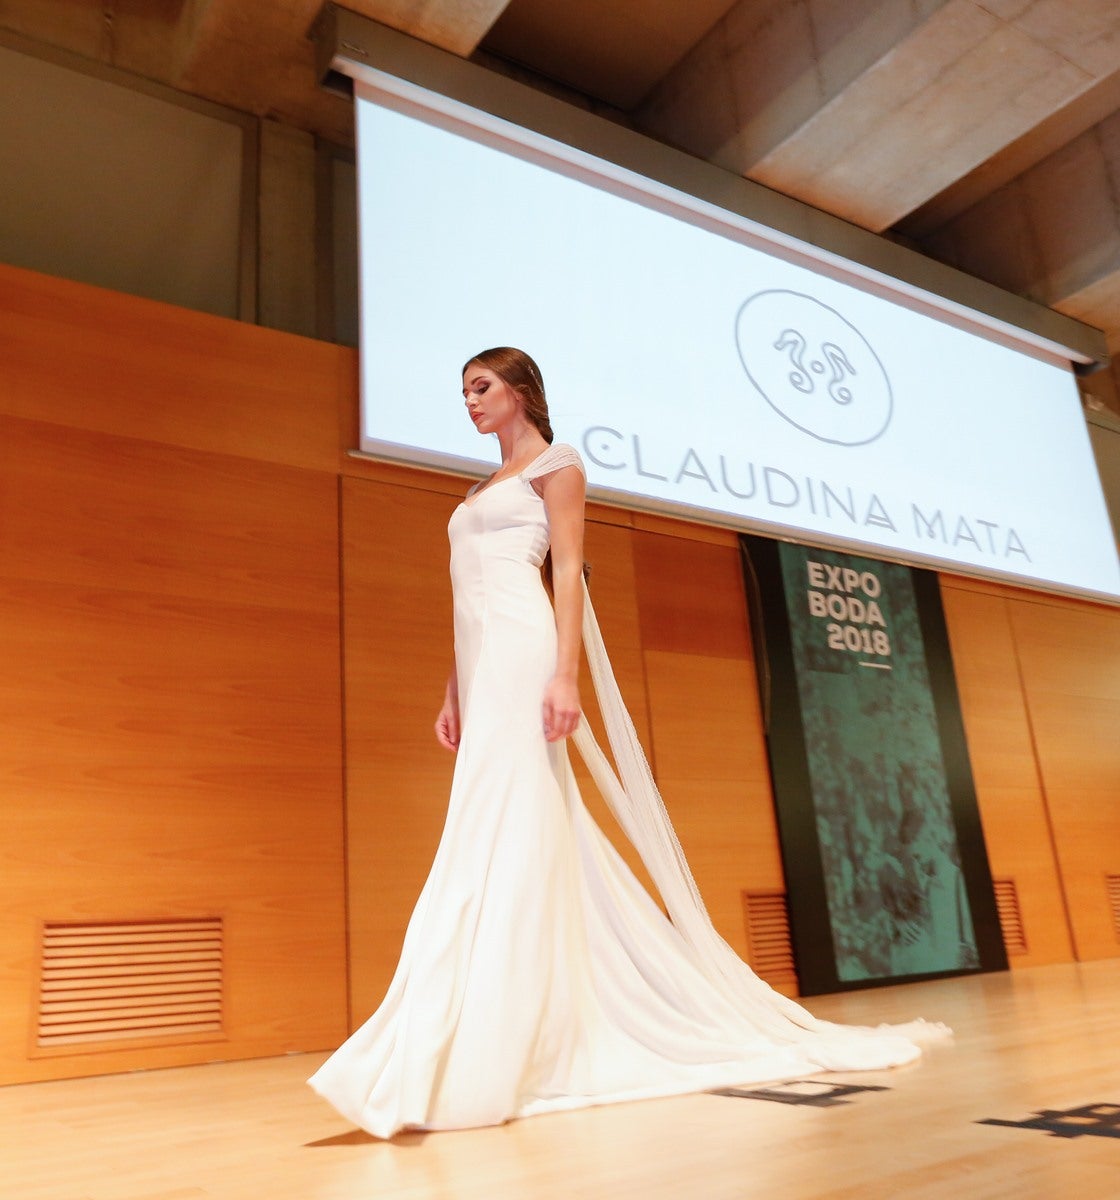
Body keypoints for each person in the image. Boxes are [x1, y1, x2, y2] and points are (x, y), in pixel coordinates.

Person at [308, 347, 947, 1138]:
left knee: (511, 820)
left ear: (520, 392)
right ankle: (510, 1015)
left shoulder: (558, 465)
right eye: (463, 391)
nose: (469, 402)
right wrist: (452, 689)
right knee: (505, 823)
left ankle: (502, 1031)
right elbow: (466, 597)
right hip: (483, 666)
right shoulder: (476, 489)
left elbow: (567, 571)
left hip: (529, 652)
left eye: (482, 388)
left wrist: (565, 675)